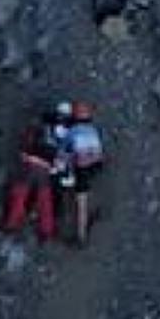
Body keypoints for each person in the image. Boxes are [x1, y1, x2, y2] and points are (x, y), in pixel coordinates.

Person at [0, 122, 60, 241]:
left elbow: (22, 156)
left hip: (29, 170)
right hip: (44, 173)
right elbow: (56, 166)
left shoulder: (30, 140)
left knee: (19, 197)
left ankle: (11, 224)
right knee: (45, 203)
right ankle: (46, 231)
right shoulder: (52, 146)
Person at [59, 101, 104, 246]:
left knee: (80, 201)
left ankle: (81, 236)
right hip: (96, 165)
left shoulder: (73, 131)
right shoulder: (93, 130)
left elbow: (63, 151)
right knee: (83, 192)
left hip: (82, 168)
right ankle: (92, 213)